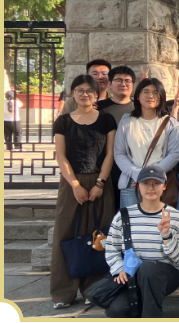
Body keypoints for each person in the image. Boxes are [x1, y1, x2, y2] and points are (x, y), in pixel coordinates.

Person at [51, 75, 118, 309]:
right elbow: (61, 156)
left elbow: (110, 153)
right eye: (80, 90)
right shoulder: (63, 121)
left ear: (96, 93)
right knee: (65, 233)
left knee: (99, 234)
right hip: (72, 183)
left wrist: (100, 183)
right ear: (73, 93)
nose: (85, 94)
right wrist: (75, 185)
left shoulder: (106, 119)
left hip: (101, 183)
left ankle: (95, 289)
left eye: (89, 90)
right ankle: (63, 293)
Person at [102, 165, 179, 318]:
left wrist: (166, 236)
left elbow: (177, 257)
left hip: (167, 272)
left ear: (164, 186)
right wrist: (120, 269)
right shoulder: (123, 215)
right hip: (132, 274)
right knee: (116, 309)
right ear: (137, 185)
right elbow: (112, 248)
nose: (151, 188)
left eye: (156, 183)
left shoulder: (175, 216)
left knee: (148, 270)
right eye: (146, 183)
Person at [113, 78, 179, 208]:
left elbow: (174, 154)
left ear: (161, 97)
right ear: (138, 96)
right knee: (130, 220)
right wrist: (136, 173)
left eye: (155, 92)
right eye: (146, 91)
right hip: (131, 182)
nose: (150, 96)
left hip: (159, 183)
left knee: (159, 221)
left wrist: (151, 176)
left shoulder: (170, 123)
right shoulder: (126, 121)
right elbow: (119, 153)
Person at [97, 66, 138, 206]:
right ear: (109, 84)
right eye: (118, 80)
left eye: (127, 81)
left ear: (133, 84)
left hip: (132, 168)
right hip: (104, 168)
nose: (123, 84)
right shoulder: (98, 108)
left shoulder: (139, 109)